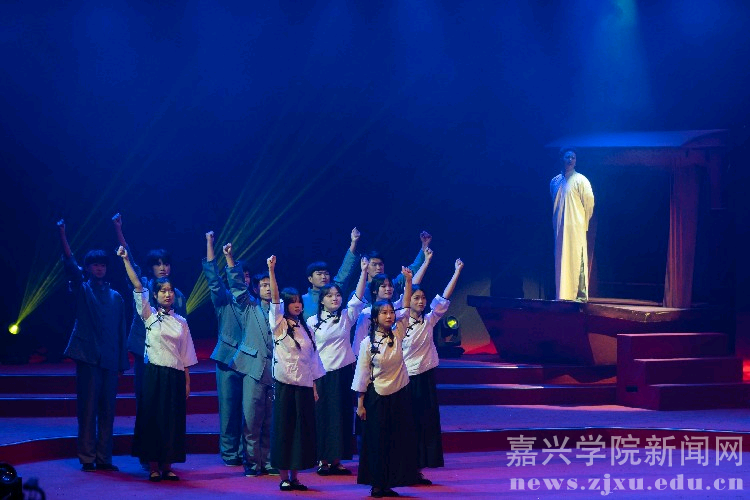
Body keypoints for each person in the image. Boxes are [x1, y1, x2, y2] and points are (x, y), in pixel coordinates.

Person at [118, 245, 198, 482]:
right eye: (162, 291)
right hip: (154, 374)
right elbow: (137, 285)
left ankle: (168, 465)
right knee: (153, 419)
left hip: (175, 375)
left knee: (172, 419)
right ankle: (153, 466)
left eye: (170, 291)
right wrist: (125, 260)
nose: (167, 294)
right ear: (155, 295)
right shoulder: (149, 316)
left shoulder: (181, 321)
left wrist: (187, 381)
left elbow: (186, 354)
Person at [56, 219, 129, 473]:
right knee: (87, 410)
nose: (99, 268)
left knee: (108, 410)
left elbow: (121, 331)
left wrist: (121, 362)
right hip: (88, 357)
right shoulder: (83, 290)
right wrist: (63, 234)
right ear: (88, 268)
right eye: (95, 265)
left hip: (110, 359)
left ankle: (104, 457)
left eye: (102, 265)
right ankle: (87, 457)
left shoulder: (116, 297)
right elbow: (71, 266)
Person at [352, 267, 419, 498]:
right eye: (384, 313)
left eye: (391, 312)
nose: (389, 316)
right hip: (376, 397)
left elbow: (406, 308)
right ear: (375, 317)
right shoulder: (367, 343)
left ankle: (390, 482)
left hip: (399, 394)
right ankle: (376, 484)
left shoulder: (398, 333)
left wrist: (408, 281)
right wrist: (360, 404)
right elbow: (361, 374)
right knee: (377, 441)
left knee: (396, 439)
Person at [403, 255, 464, 484]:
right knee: (407, 425)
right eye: (416, 298)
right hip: (405, 380)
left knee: (425, 423)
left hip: (425, 378)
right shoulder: (400, 321)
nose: (421, 302)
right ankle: (404, 467)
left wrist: (456, 272)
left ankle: (418, 468)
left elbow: (444, 297)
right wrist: (409, 282)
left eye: (423, 298)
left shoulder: (429, 320)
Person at [267, 256, 327, 492]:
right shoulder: (279, 325)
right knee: (285, 429)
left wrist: (314, 387)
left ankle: (295, 476)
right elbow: (274, 299)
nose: (297, 305)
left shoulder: (305, 327)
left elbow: (312, 360)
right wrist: (272, 271)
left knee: (301, 431)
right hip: (285, 385)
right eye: (292, 302)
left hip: (304, 386)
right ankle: (283, 476)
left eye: (298, 302)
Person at [308, 256, 369, 476]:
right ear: (321, 300)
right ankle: (322, 460)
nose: (335, 298)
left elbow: (358, 298)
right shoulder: (312, 322)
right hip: (323, 374)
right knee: (324, 417)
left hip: (344, 373)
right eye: (329, 295)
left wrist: (363, 271)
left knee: (342, 416)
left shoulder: (346, 316)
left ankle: (337, 460)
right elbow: (309, 353)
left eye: (337, 295)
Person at [223, 243, 278, 477]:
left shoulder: (280, 310)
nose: (267, 288)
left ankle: (269, 462)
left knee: (270, 421)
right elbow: (237, 286)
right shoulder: (249, 306)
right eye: (263, 285)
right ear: (255, 289)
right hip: (253, 370)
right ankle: (252, 464)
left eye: (269, 284)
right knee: (251, 419)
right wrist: (230, 259)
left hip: (275, 371)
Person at [202, 230, 252, 467]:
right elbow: (213, 277)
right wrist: (210, 244)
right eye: (239, 275)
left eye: (246, 276)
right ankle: (230, 453)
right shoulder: (223, 299)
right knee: (229, 410)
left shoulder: (255, 303)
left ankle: (247, 451)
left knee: (250, 411)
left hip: (251, 361)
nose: (243, 279)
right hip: (227, 360)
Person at [550, 148, 595, 301]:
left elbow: (589, 204)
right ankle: (562, 296)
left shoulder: (581, 180)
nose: (570, 160)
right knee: (561, 260)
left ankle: (579, 297)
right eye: (567, 157)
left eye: (573, 157)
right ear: (561, 159)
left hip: (575, 228)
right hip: (560, 228)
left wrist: (583, 223)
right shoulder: (555, 181)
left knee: (576, 257)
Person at [302, 227, 361, 320]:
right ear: (310, 279)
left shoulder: (335, 291)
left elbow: (344, 272)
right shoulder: (302, 300)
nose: (323, 277)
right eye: (319, 274)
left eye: (326, 273)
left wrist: (353, 243)